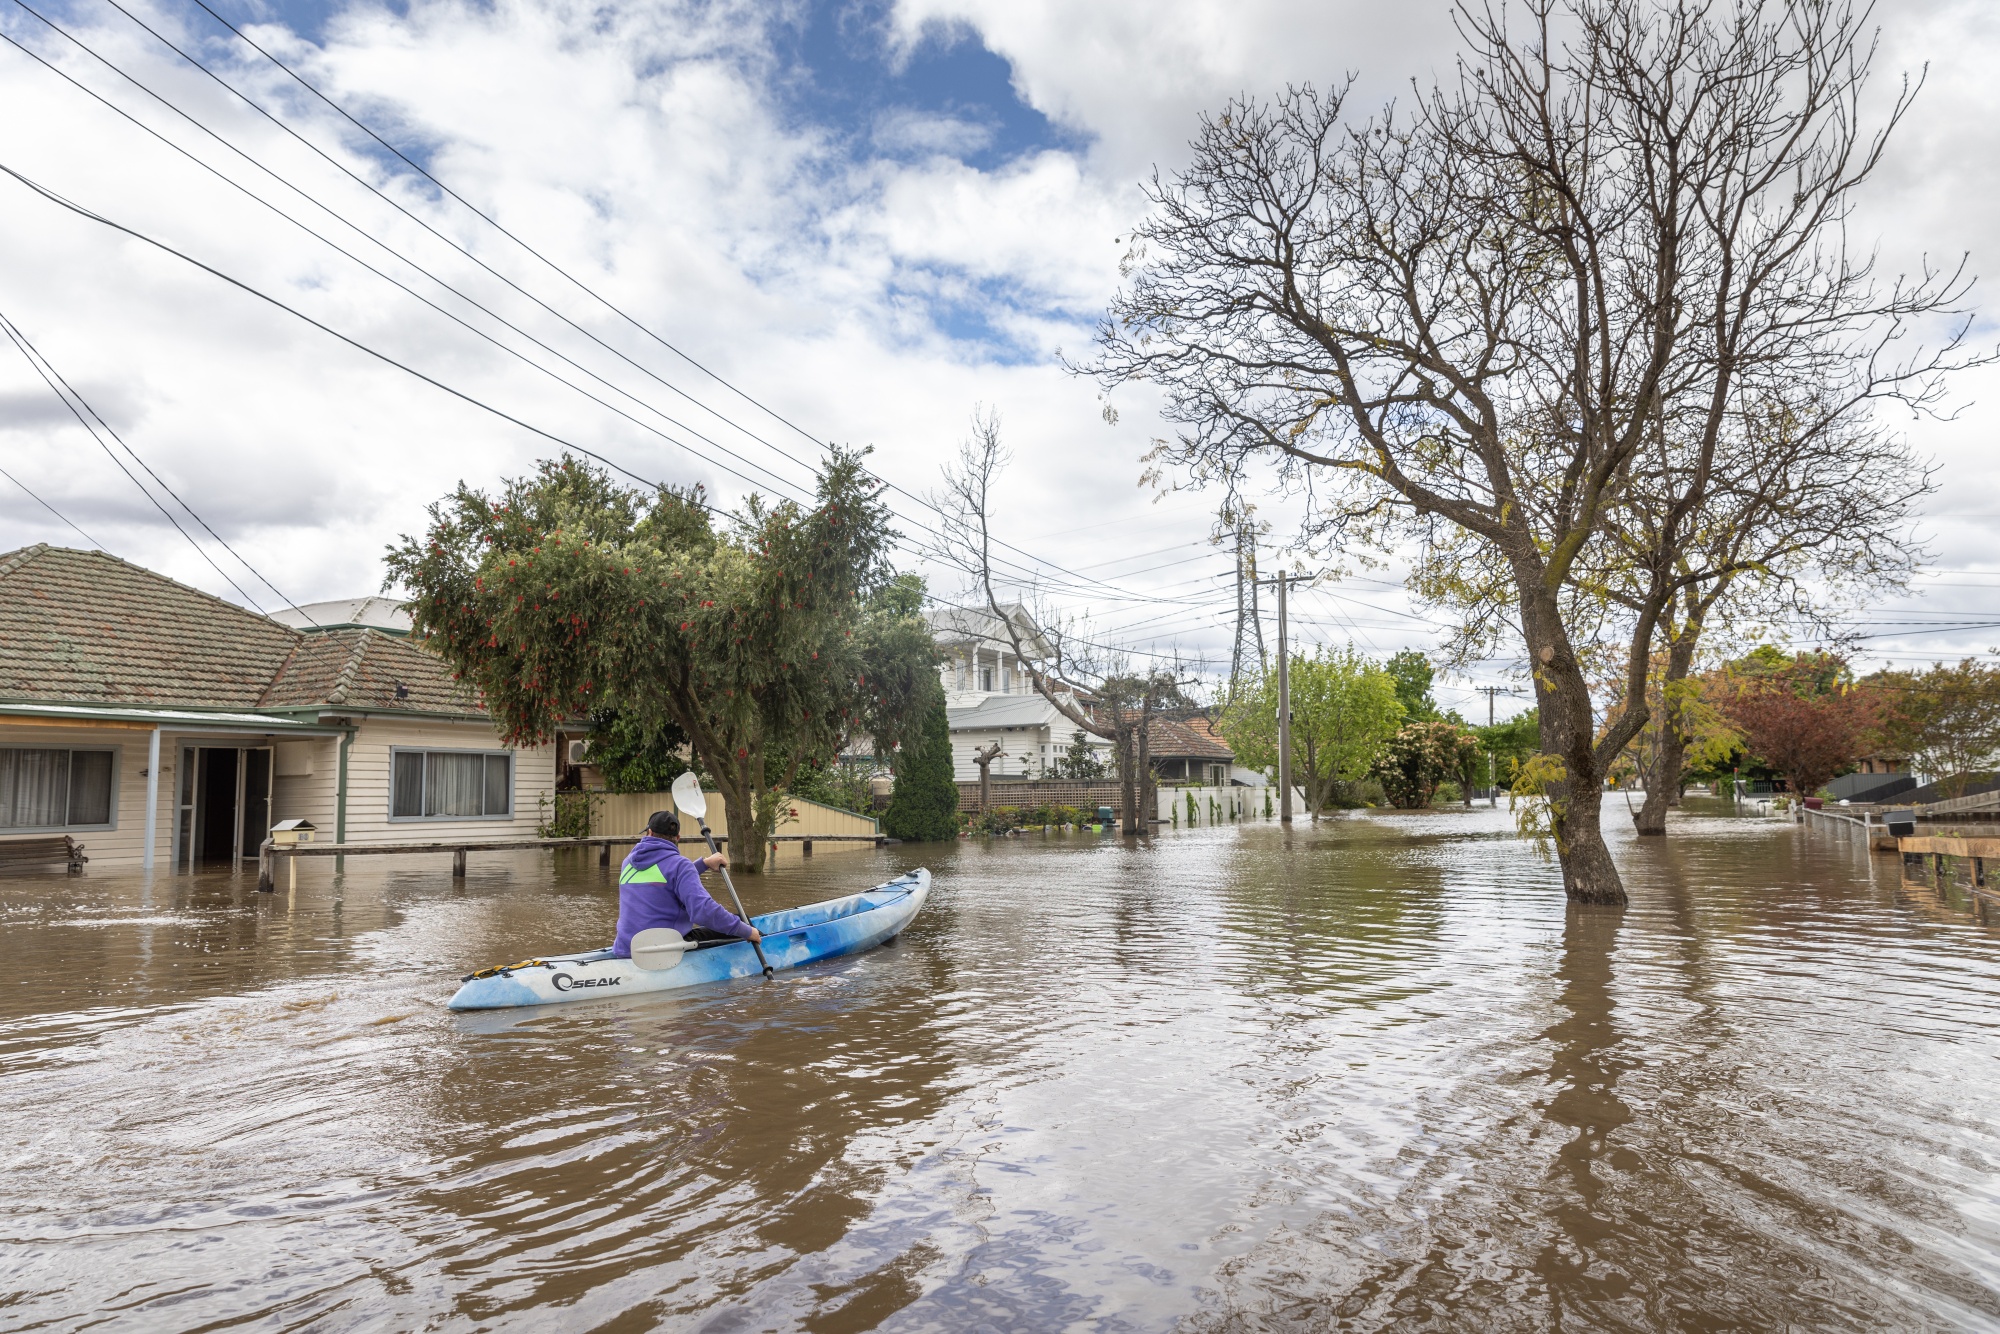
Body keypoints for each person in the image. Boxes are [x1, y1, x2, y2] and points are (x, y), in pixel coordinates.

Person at [610, 809, 762, 958]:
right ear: (678, 838)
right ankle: (764, 939)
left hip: (626, 948)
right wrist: (747, 931)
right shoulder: (680, 865)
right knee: (743, 921)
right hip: (664, 950)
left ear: (649, 833)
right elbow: (703, 911)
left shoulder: (628, 863)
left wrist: (704, 864)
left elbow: (666, 881)